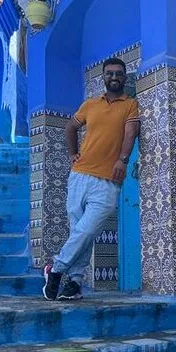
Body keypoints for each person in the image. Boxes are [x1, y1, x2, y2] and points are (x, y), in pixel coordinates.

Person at [42, 57, 140, 300]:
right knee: (79, 230)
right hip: (79, 175)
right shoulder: (90, 104)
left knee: (86, 231)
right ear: (103, 77)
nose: (114, 77)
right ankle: (75, 283)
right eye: (110, 73)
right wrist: (72, 154)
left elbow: (131, 133)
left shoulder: (130, 105)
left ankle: (55, 269)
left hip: (108, 181)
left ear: (124, 77)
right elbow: (70, 127)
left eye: (119, 73)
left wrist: (123, 160)